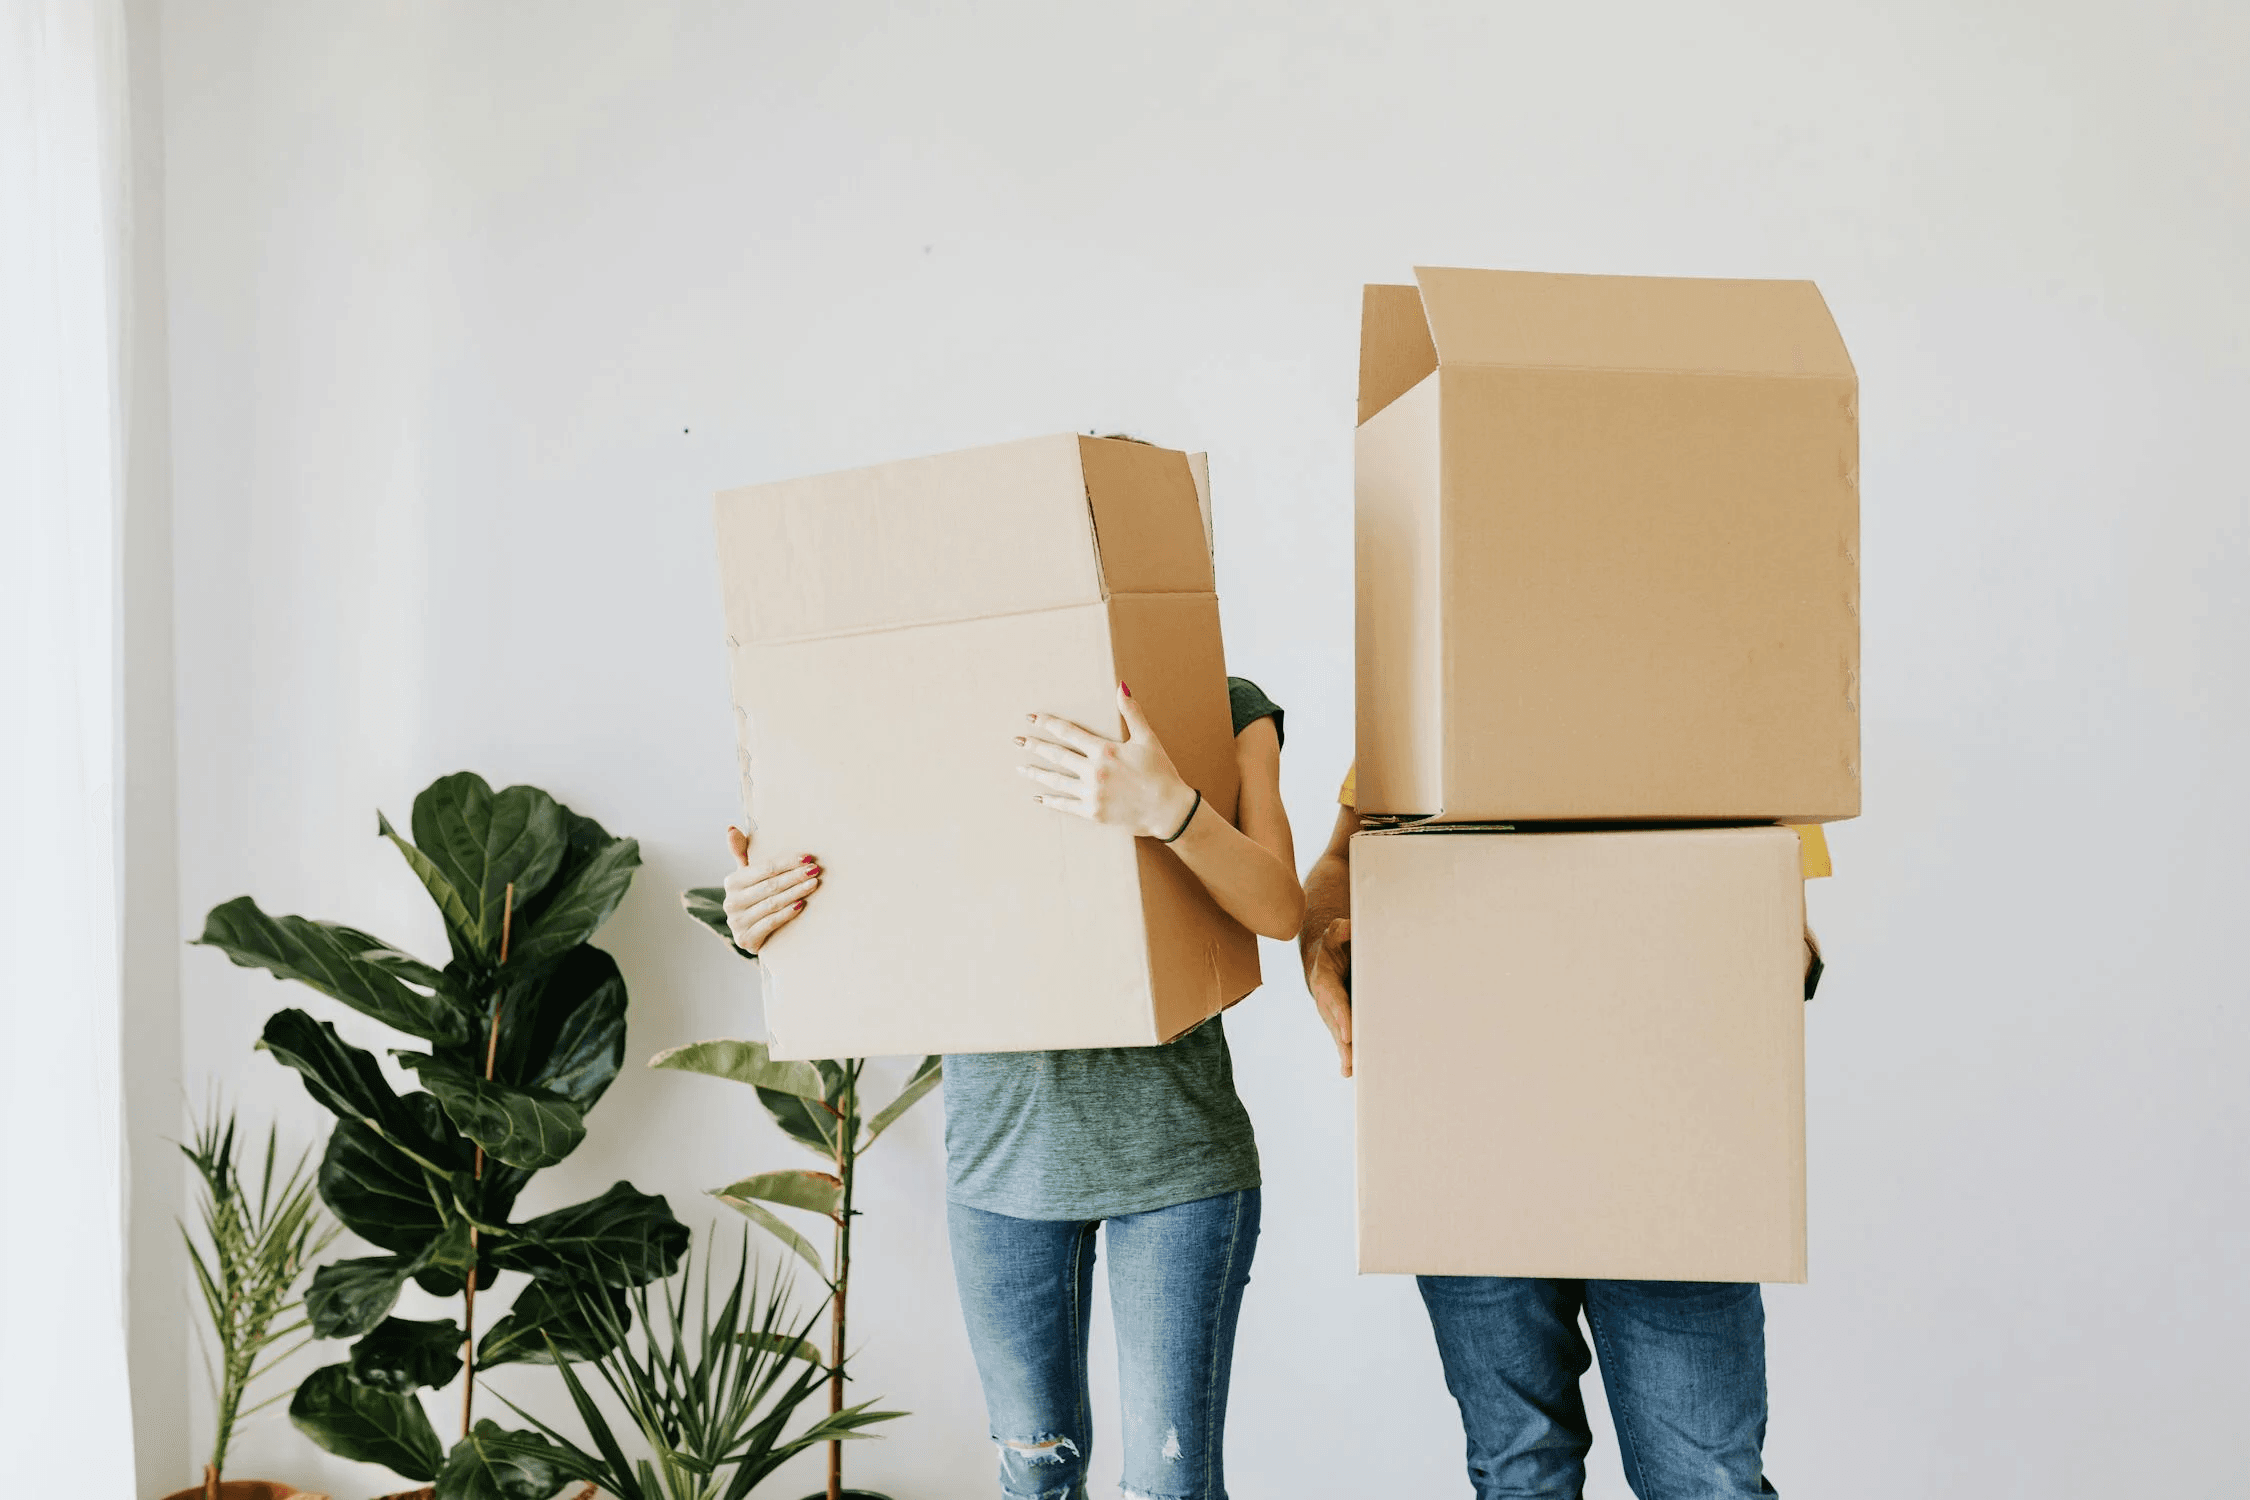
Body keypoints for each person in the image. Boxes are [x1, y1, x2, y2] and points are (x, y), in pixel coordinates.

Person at [721, 675, 1301, 1500]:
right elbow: (868, 893)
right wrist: (765, 921)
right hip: (1002, 1170)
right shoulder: (925, 705)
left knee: (1171, 1489)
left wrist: (1170, 810)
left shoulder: (1223, 702)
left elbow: (1280, 907)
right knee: (1036, 1479)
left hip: (1179, 1164)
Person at [1301, 764, 1809, 1500]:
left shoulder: (1725, 678)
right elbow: (1349, 856)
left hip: (1672, 1145)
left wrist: (1759, 967)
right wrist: (1322, 941)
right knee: (1521, 1474)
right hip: (1469, 1125)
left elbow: (1772, 886)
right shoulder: (1442, 665)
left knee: (1707, 1481)